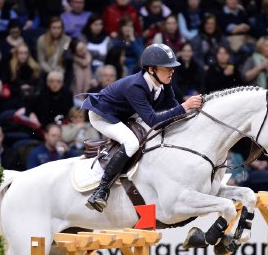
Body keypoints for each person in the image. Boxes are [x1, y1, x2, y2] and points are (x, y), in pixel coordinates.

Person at [81, 43, 203, 212]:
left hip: (125, 113)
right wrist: (185, 107)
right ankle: (101, 190)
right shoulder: (135, 87)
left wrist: (191, 115)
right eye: (167, 68)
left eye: (172, 68)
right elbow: (154, 120)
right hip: (104, 116)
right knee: (131, 143)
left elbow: (171, 105)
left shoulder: (164, 82)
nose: (172, 71)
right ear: (152, 69)